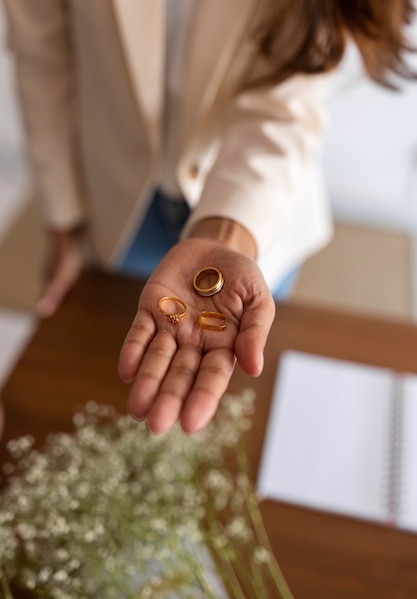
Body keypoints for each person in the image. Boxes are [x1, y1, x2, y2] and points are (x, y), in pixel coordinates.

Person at [3, 0, 415, 436]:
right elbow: (43, 57)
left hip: (255, 206)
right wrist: (64, 224)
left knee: (237, 361)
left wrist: (229, 234)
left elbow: (282, 113)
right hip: (120, 197)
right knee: (129, 362)